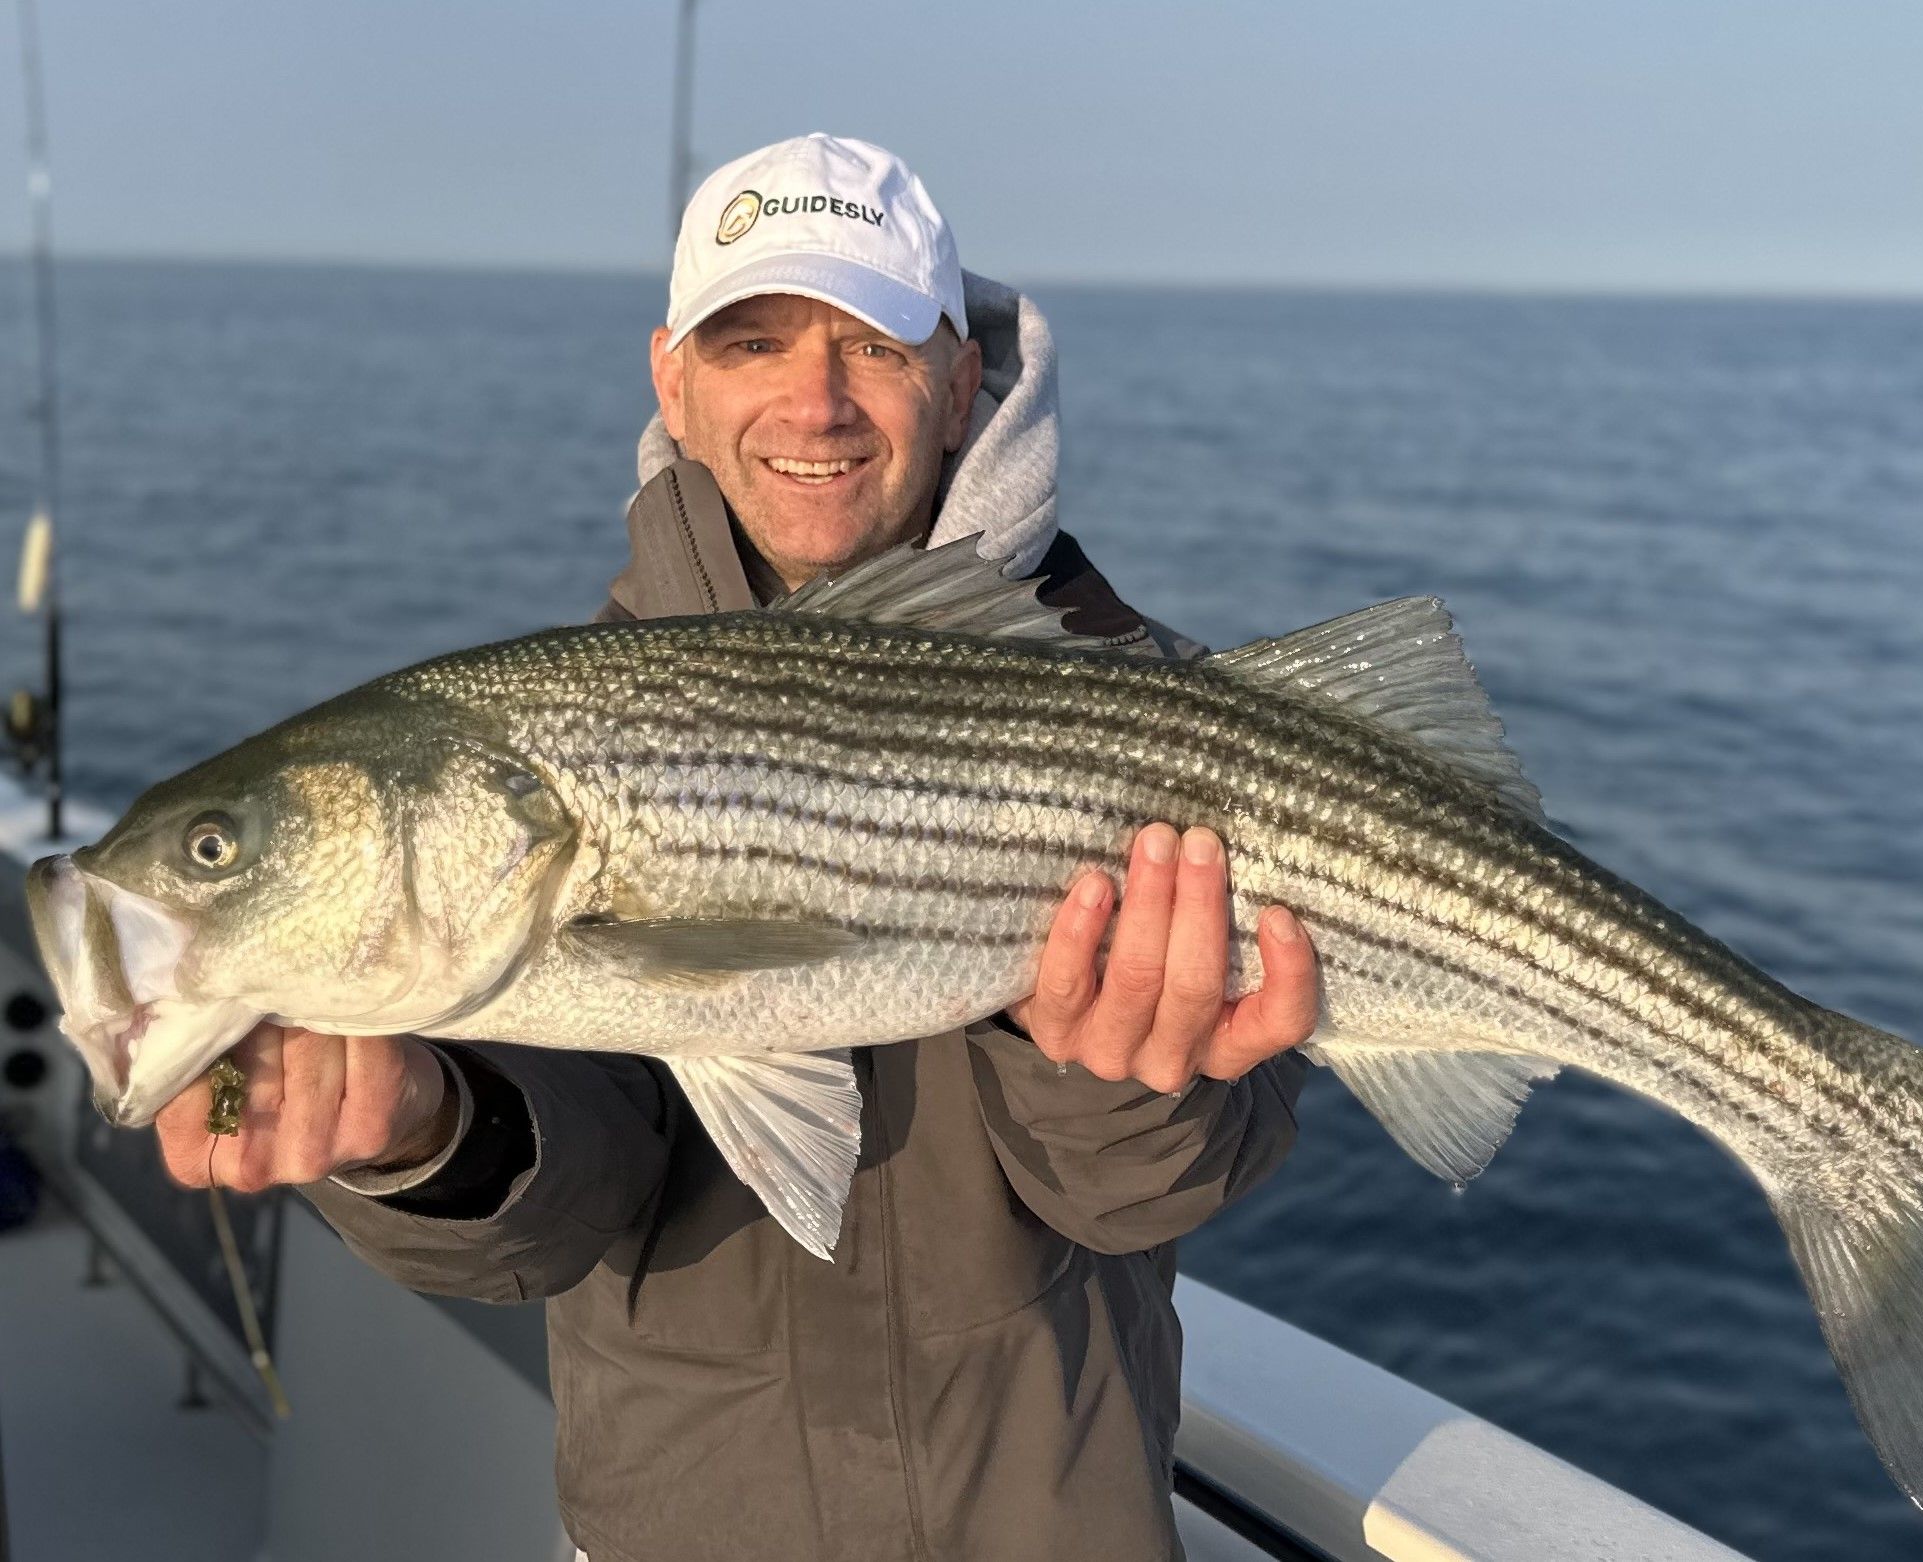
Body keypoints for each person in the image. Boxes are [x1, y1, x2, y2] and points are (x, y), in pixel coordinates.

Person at [149, 134, 1316, 1562]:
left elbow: (1158, 1188)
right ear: (673, 382)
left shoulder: (1161, 713)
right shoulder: (559, 724)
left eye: (871, 346)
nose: (810, 401)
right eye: (750, 339)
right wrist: (420, 1126)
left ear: (959, 381)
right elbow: (560, 1213)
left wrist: (1097, 1059)